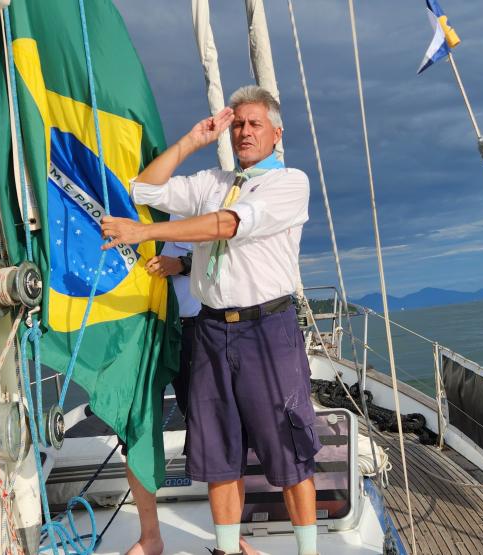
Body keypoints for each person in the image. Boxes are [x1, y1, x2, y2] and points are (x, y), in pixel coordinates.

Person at [101, 85, 321, 555]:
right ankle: (224, 549)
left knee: (290, 450)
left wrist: (146, 231)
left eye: (254, 123)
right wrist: (191, 141)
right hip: (209, 327)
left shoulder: (289, 183)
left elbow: (229, 224)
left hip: (268, 329)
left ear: (276, 133)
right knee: (219, 452)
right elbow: (143, 187)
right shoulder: (211, 183)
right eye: (238, 123)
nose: (244, 131)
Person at [145, 217, 200, 416]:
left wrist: (181, 264)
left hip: (188, 329)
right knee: (144, 404)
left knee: (195, 404)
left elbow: (218, 257)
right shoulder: (129, 214)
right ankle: (140, 447)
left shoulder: (190, 211)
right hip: (144, 330)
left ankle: (196, 447)